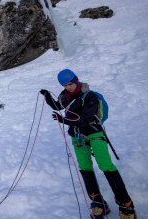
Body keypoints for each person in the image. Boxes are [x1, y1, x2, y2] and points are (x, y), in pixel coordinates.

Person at [41, 69, 136, 219]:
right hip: (77, 136)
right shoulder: (64, 96)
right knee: (85, 167)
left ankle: (126, 205)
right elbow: (58, 105)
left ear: (76, 80)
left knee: (106, 166)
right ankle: (97, 202)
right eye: (65, 85)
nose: (69, 87)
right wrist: (47, 96)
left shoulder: (89, 96)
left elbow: (84, 119)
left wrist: (63, 120)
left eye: (70, 83)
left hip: (94, 133)